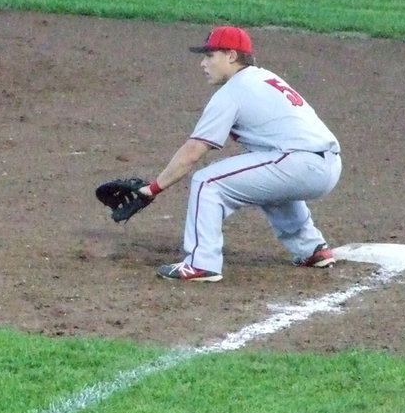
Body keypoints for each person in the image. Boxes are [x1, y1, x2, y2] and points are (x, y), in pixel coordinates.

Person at [139, 26, 341, 282]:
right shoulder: (265, 78)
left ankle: (201, 264)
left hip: (299, 163)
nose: (203, 64)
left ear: (231, 56)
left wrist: (153, 188)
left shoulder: (233, 91)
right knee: (267, 180)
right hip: (327, 165)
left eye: (210, 56)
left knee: (207, 182)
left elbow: (193, 152)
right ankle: (310, 248)